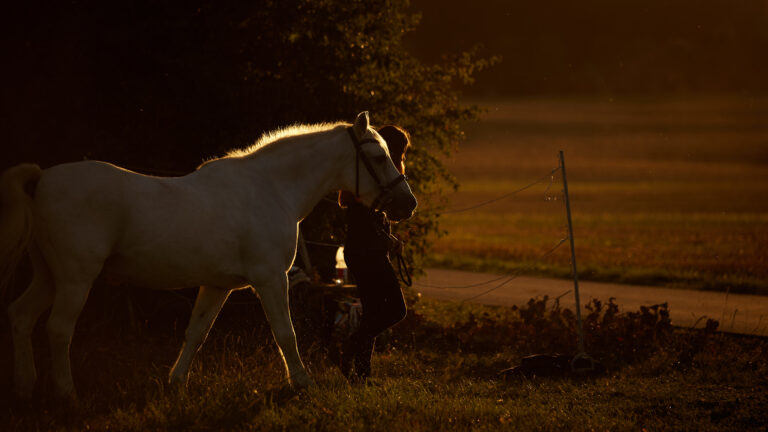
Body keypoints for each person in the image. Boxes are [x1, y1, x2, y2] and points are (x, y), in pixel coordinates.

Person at [338, 125, 411, 382]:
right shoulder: (372, 179)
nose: (402, 159)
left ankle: (361, 375)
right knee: (396, 310)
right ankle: (350, 347)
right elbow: (366, 220)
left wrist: (389, 240)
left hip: (362, 252)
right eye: (401, 154)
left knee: (372, 312)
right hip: (367, 252)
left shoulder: (373, 178)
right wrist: (389, 241)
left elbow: (371, 220)